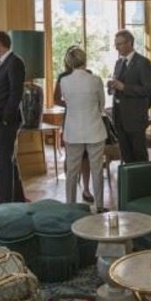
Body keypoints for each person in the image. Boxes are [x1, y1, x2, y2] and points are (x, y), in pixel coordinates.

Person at [59, 47, 106, 211]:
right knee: (97, 170)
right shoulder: (96, 80)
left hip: (73, 131)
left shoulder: (64, 81)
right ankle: (99, 206)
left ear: (69, 63)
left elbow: (67, 102)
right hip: (95, 129)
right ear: (85, 60)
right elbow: (102, 105)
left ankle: (70, 206)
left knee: (72, 172)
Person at [0, 31, 26, 203]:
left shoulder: (14, 62)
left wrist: (5, 118)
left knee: (3, 161)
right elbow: (3, 90)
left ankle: (6, 201)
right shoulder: (3, 62)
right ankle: (17, 198)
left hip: (6, 120)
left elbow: (16, 93)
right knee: (8, 159)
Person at [53, 47, 94, 203]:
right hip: (70, 118)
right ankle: (70, 189)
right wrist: (70, 104)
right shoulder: (63, 76)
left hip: (87, 118)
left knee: (86, 156)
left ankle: (86, 189)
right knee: (70, 155)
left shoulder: (89, 74)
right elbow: (56, 99)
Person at [108, 30, 151, 163]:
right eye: (116, 44)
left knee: (139, 154)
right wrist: (112, 87)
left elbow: (149, 89)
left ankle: (141, 177)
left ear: (129, 43)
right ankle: (128, 176)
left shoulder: (142, 62)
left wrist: (124, 87)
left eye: (119, 44)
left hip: (135, 117)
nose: (116, 48)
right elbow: (118, 86)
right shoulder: (118, 63)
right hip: (119, 117)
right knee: (126, 154)